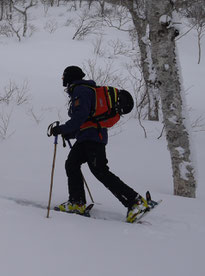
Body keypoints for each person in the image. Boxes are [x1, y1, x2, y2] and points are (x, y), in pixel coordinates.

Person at [49, 66, 149, 222]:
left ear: (69, 77)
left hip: (93, 138)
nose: (62, 79)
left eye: (63, 77)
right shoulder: (83, 90)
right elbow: (88, 119)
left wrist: (62, 129)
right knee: (72, 164)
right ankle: (77, 202)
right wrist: (69, 132)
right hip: (87, 137)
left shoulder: (81, 90)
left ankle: (135, 201)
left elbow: (81, 117)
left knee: (100, 171)